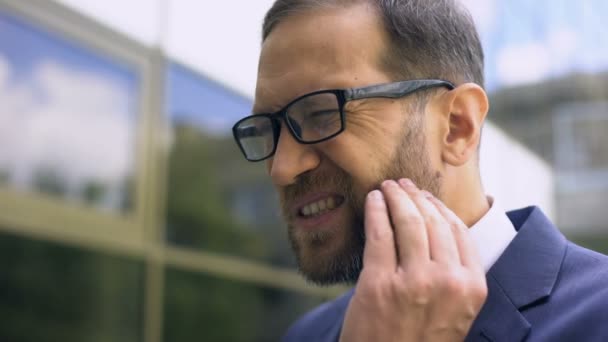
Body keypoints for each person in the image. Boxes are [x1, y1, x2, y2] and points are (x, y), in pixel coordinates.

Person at [231, 0, 608, 340]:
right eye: (267, 129)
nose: (281, 168)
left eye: (321, 114)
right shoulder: (308, 334)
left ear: (458, 126)